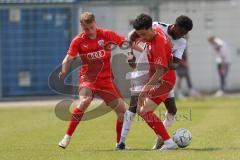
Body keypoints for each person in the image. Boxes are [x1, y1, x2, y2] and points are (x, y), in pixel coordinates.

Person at [117, 15, 193, 150]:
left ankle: (165, 139)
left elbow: (170, 65)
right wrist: (130, 53)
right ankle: (121, 142)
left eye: (184, 34)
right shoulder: (157, 27)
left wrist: (168, 60)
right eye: (180, 32)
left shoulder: (170, 41)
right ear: (174, 25)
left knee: (157, 109)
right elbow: (132, 35)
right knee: (135, 106)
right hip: (147, 71)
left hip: (161, 76)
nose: (181, 36)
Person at [58, 12, 128, 149]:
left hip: (106, 80)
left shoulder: (106, 34)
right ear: (81, 26)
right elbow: (68, 58)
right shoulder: (78, 41)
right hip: (87, 78)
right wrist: (64, 70)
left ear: (95, 22)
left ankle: (119, 144)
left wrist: (135, 42)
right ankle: (67, 137)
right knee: (85, 101)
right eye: (86, 29)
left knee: (122, 111)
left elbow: (123, 41)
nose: (89, 31)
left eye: (91, 27)